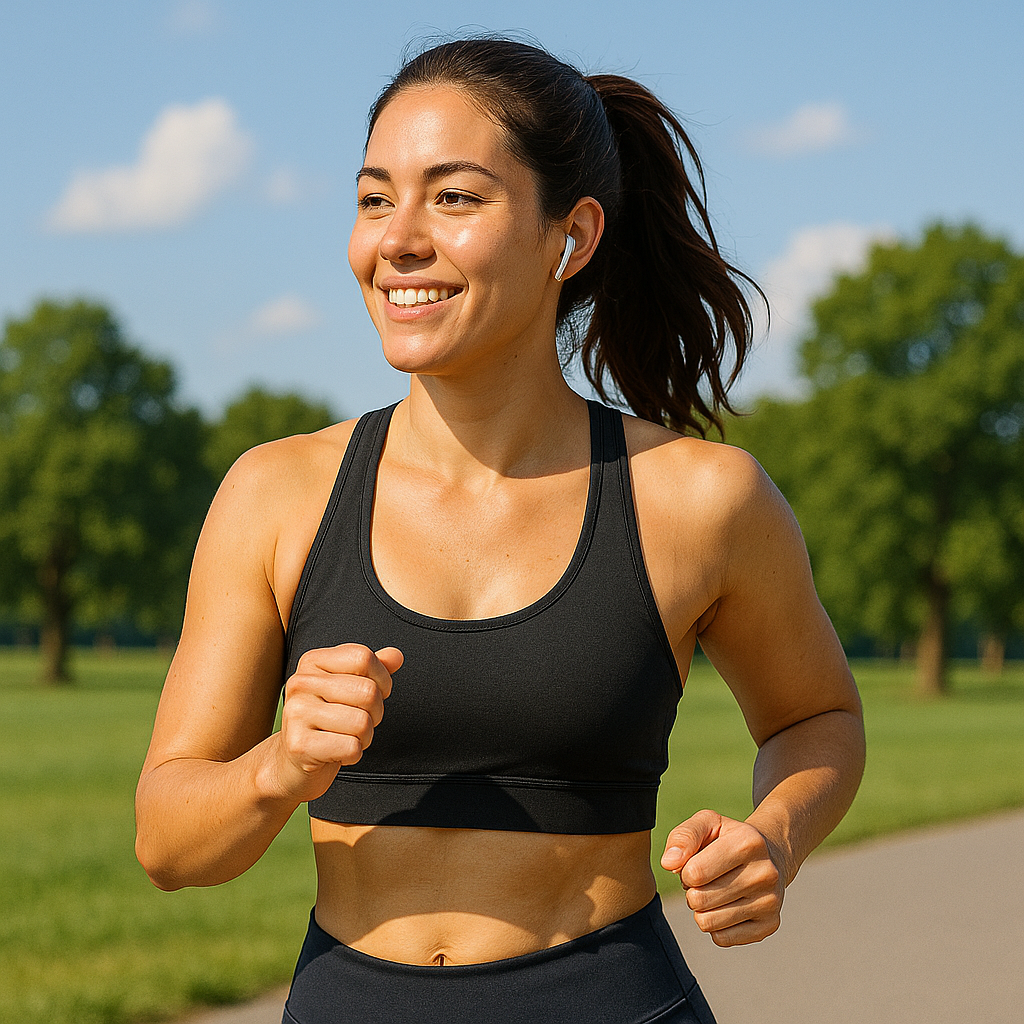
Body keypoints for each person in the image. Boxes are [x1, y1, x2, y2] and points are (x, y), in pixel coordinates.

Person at [135, 37, 865, 1024]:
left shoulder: (701, 499)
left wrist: (773, 837)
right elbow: (167, 844)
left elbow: (816, 717)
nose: (398, 238)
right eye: (374, 199)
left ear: (571, 235)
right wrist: (277, 767)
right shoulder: (276, 494)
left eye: (454, 197)